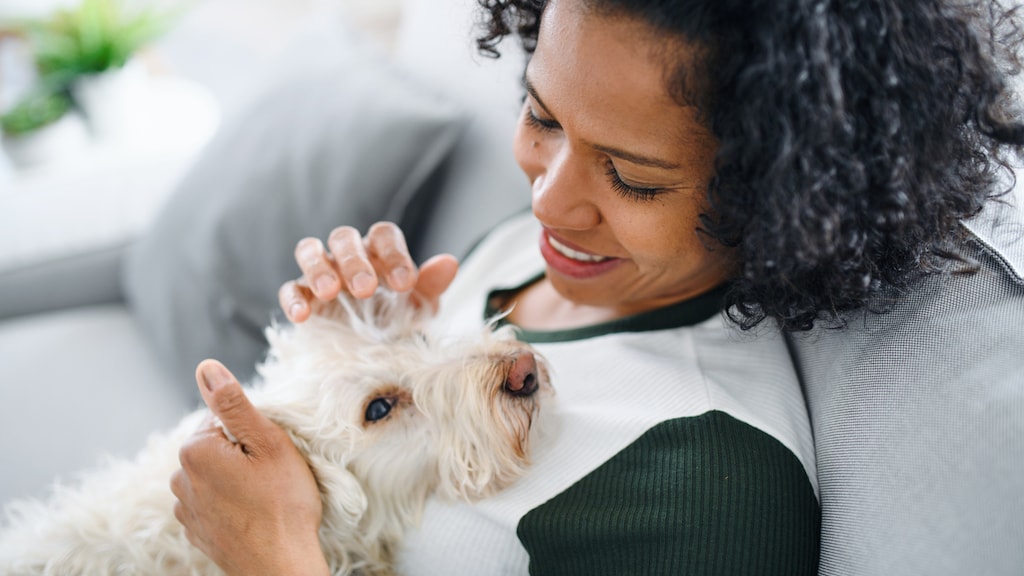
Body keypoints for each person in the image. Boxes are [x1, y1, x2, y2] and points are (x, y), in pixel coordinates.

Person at [171, 0, 1024, 574]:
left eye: (633, 178)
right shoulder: (526, 252)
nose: (547, 199)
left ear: (783, 194)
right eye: (542, 117)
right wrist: (344, 360)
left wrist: (274, 557)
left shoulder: (706, 488)